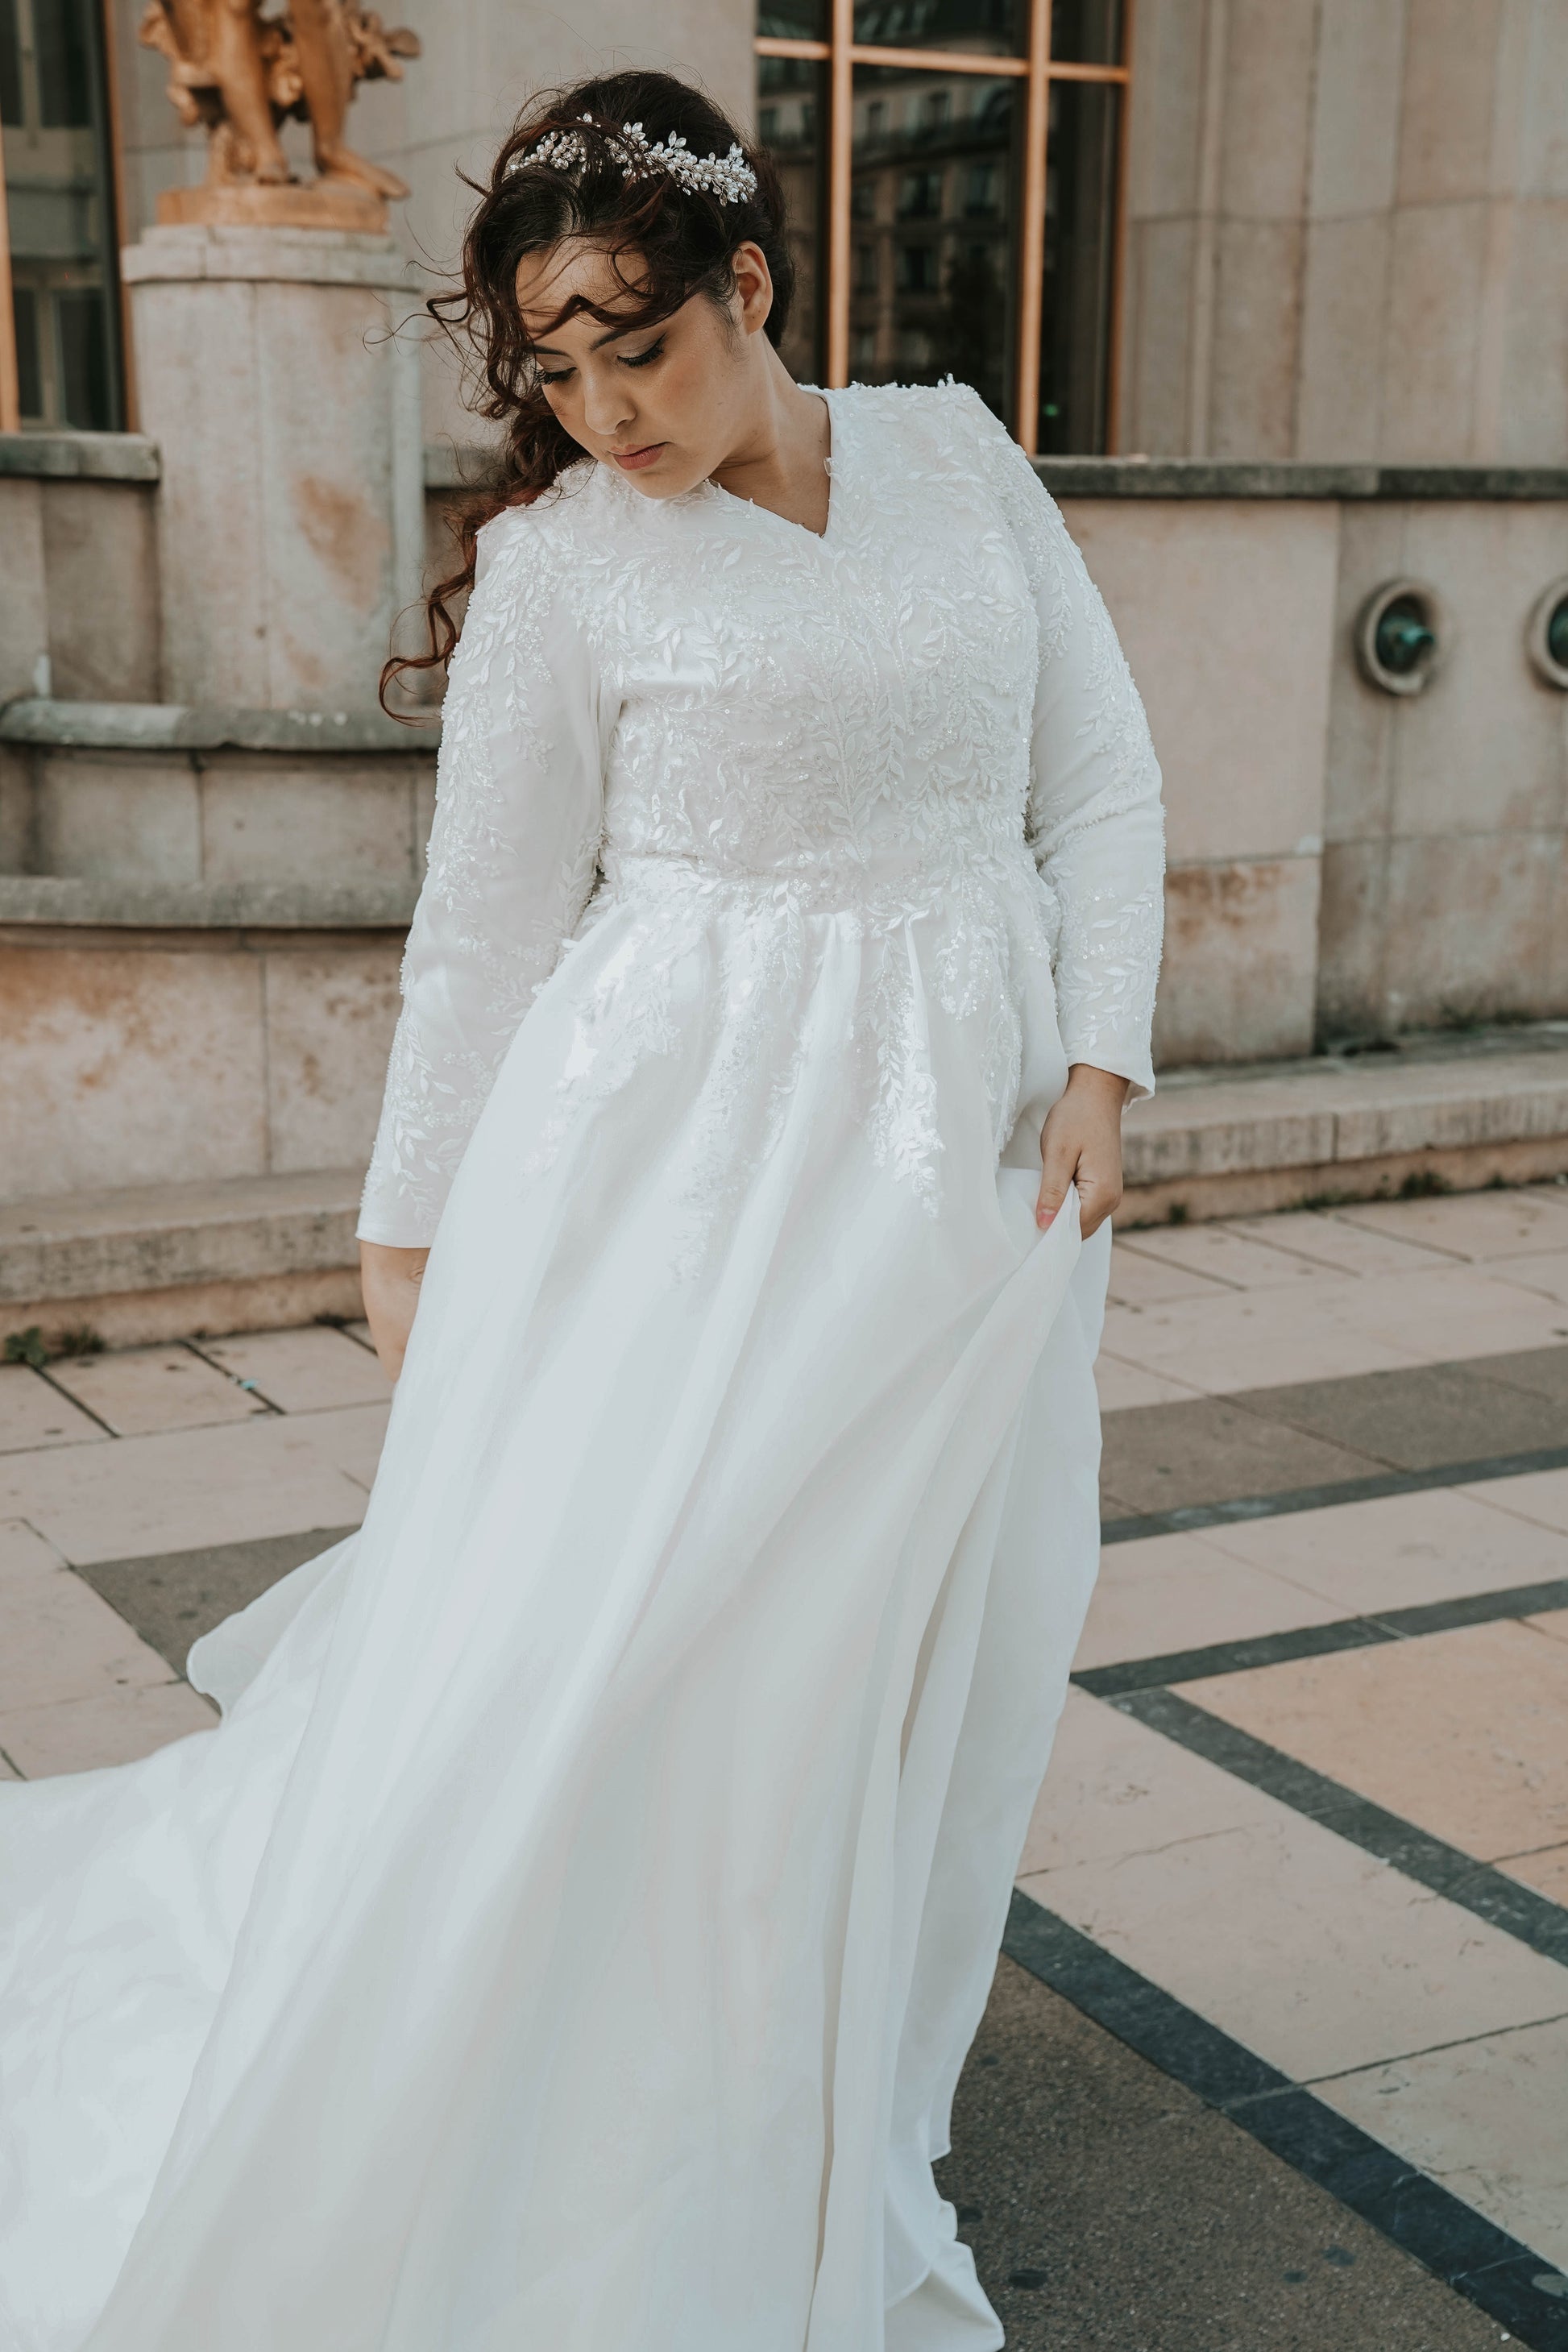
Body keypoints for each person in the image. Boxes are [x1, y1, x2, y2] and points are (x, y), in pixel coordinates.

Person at [0, 68, 1164, 2352]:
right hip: (681, 1176)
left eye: (638, 345)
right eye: (554, 367)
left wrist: (1104, 1061)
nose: (600, 409)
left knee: (948, 1619)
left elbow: (1098, 773)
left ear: (754, 284)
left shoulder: (957, 450)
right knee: (666, 1647)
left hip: (970, 1167)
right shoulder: (560, 570)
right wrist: (404, 1231)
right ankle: (664, 2102)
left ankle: (857, 2076)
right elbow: (485, 923)